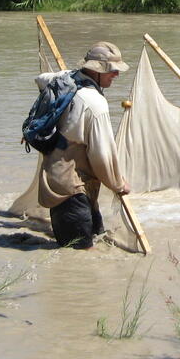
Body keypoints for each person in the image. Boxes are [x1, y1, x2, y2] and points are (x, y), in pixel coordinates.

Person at [37, 41, 131, 248]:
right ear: (97, 71)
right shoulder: (95, 104)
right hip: (70, 189)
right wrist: (118, 184)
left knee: (96, 237)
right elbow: (102, 155)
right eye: (113, 70)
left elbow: (41, 79)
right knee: (78, 254)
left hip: (61, 178)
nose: (116, 75)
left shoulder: (63, 80)